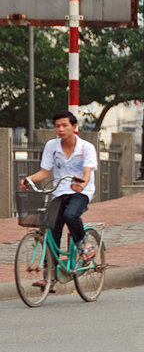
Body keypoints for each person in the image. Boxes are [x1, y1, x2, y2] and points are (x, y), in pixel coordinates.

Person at [19, 110, 98, 273]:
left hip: (81, 192)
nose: (61, 129)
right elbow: (44, 171)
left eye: (64, 125)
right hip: (59, 192)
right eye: (57, 126)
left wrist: (81, 186)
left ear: (74, 126)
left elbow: (87, 173)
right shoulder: (51, 146)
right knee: (51, 230)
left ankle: (84, 244)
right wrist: (30, 179)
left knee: (70, 214)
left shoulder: (86, 148)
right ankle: (49, 275)